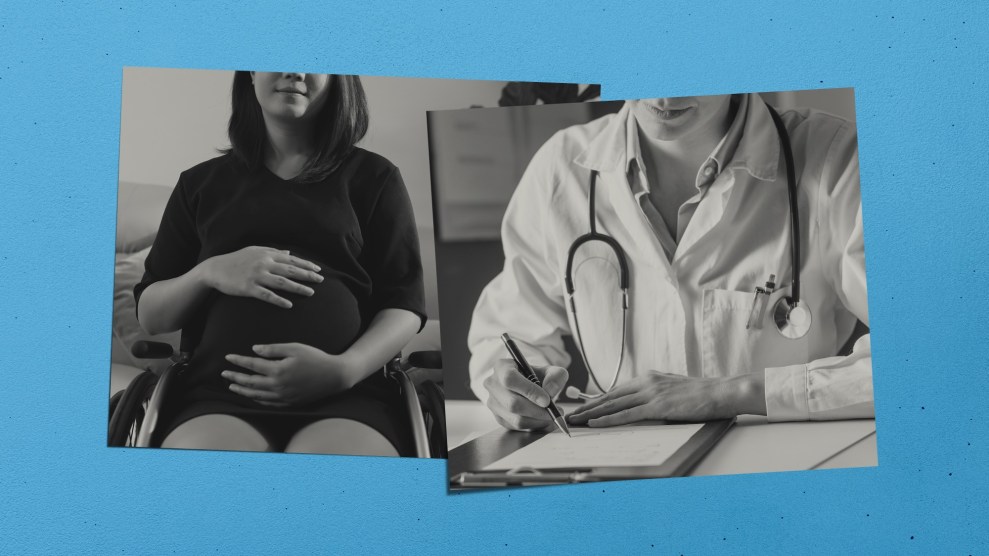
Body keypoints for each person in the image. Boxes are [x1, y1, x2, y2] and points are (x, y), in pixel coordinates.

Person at [468, 93, 872, 432]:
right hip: (619, 466)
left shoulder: (834, 158)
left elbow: (922, 359)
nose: (663, 96)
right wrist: (516, 382)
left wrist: (729, 394)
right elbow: (508, 329)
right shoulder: (560, 167)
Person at [135, 72, 426, 455]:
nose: (295, 70)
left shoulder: (376, 178)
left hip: (350, 397)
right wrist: (209, 272)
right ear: (252, 73)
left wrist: (344, 370)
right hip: (218, 396)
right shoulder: (198, 184)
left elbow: (404, 304)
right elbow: (151, 317)